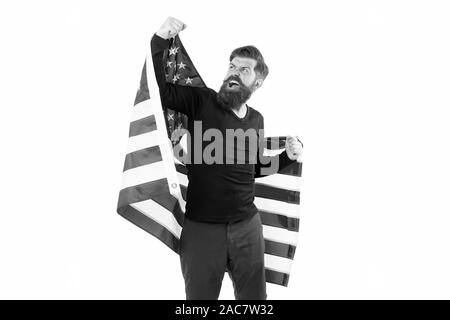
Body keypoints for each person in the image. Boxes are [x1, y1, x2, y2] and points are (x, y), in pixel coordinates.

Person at [151, 17, 303, 300]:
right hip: (201, 229)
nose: (233, 72)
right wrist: (159, 40)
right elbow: (162, 91)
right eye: (231, 66)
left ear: (256, 82)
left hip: (248, 228)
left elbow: (254, 168)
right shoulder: (202, 101)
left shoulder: (257, 119)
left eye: (243, 69)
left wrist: (286, 157)